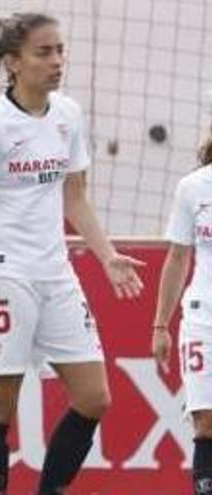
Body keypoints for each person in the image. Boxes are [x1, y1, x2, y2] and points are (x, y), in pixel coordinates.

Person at [0, 13, 144, 494]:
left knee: (94, 398)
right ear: (13, 63)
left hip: (56, 274)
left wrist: (107, 256)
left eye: (60, 50)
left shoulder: (68, 115)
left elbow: (74, 196)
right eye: (45, 52)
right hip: (3, 277)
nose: (58, 61)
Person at [151, 129, 212, 494]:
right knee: (206, 422)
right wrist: (160, 325)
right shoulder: (193, 187)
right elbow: (177, 258)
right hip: (204, 318)